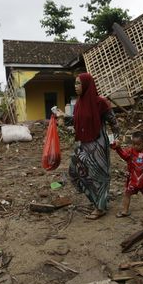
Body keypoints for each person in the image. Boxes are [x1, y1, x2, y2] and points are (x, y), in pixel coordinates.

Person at [58, 73, 120, 220]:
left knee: (100, 176)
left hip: (98, 144)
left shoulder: (101, 102)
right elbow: (77, 123)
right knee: (75, 172)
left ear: (87, 85)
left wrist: (117, 139)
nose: (75, 86)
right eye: (75, 83)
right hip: (83, 145)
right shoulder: (79, 103)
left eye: (78, 83)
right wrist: (62, 118)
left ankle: (101, 207)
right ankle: (96, 200)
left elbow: (114, 123)